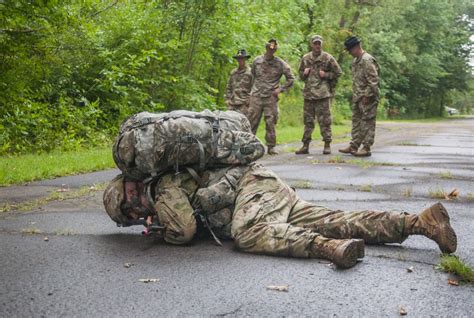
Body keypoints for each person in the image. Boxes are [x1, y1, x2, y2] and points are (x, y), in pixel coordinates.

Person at [103, 163, 457, 269]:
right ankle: (419, 222)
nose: (137, 217)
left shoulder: (161, 188)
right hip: (263, 188)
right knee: (333, 217)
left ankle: (328, 248)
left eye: (130, 213)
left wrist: (162, 231)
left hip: (253, 187)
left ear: (129, 196)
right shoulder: (165, 187)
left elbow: (184, 230)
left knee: (248, 232)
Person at [296, 35, 342, 155]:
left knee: (325, 121)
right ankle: (305, 145)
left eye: (319, 43)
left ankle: (327, 145)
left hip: (322, 94)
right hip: (309, 95)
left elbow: (338, 72)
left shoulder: (327, 58)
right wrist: (304, 73)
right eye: (315, 43)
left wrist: (326, 75)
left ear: (321, 44)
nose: (317, 46)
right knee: (308, 121)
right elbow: (300, 75)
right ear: (311, 44)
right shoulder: (306, 58)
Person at [247, 39, 295, 155]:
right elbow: (252, 77)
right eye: (269, 48)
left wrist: (280, 89)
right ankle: (248, 146)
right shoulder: (257, 61)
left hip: (270, 98)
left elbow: (291, 78)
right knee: (251, 121)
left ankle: (271, 147)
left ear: (275, 50)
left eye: (273, 49)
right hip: (256, 97)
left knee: (270, 122)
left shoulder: (280, 63)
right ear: (266, 48)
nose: (270, 51)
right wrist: (250, 93)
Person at [339, 36, 380, 157]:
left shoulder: (367, 60)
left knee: (367, 122)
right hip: (358, 97)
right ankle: (354, 145)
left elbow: (373, 80)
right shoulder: (356, 61)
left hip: (368, 97)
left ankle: (366, 148)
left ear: (356, 47)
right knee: (356, 121)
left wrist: (367, 96)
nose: (350, 53)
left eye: (350, 50)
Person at [224, 49, 253, 117]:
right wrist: (227, 99)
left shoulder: (250, 73)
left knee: (243, 125)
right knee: (230, 124)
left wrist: (249, 100)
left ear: (245, 59)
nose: (240, 61)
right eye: (239, 59)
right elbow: (228, 87)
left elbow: (254, 88)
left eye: (242, 59)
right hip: (232, 104)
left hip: (244, 105)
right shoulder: (233, 72)